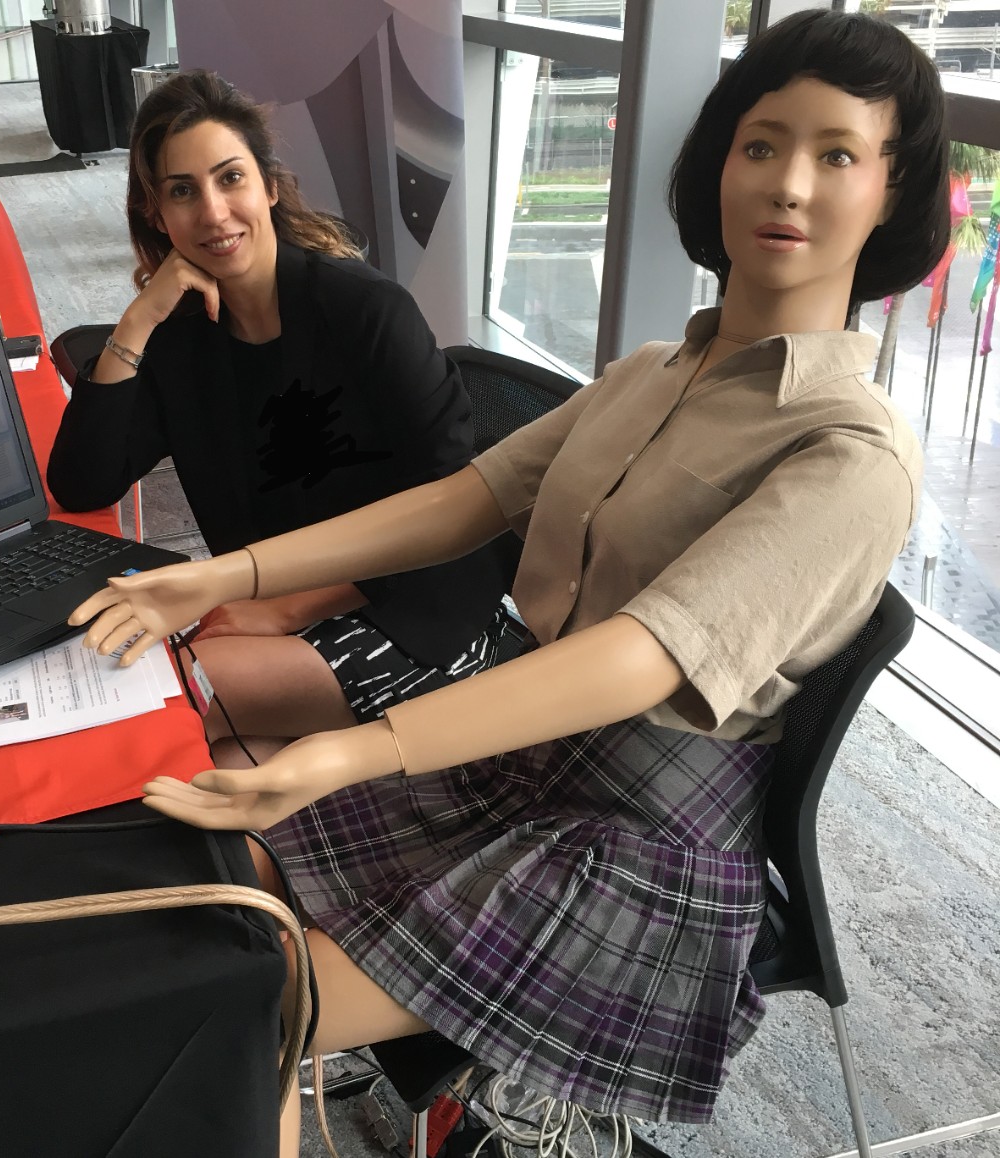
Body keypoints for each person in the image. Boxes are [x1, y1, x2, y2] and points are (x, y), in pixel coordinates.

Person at [70, 10, 949, 1145]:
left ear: (891, 194)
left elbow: (642, 653)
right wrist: (217, 577)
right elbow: (461, 502)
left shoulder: (848, 453)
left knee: (236, 1004)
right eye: (759, 142)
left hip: (641, 839)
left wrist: (356, 746)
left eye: (836, 155)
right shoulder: (648, 372)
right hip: (522, 760)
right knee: (205, 882)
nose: (786, 183)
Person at [46, 70, 511, 755]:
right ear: (155, 213)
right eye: (182, 191)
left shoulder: (364, 311)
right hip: (266, 609)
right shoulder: (180, 337)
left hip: (413, 604)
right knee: (220, 771)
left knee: (153, 701)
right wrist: (140, 319)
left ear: (267, 186)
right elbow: (83, 482)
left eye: (229, 178)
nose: (211, 212)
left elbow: (452, 510)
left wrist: (283, 606)